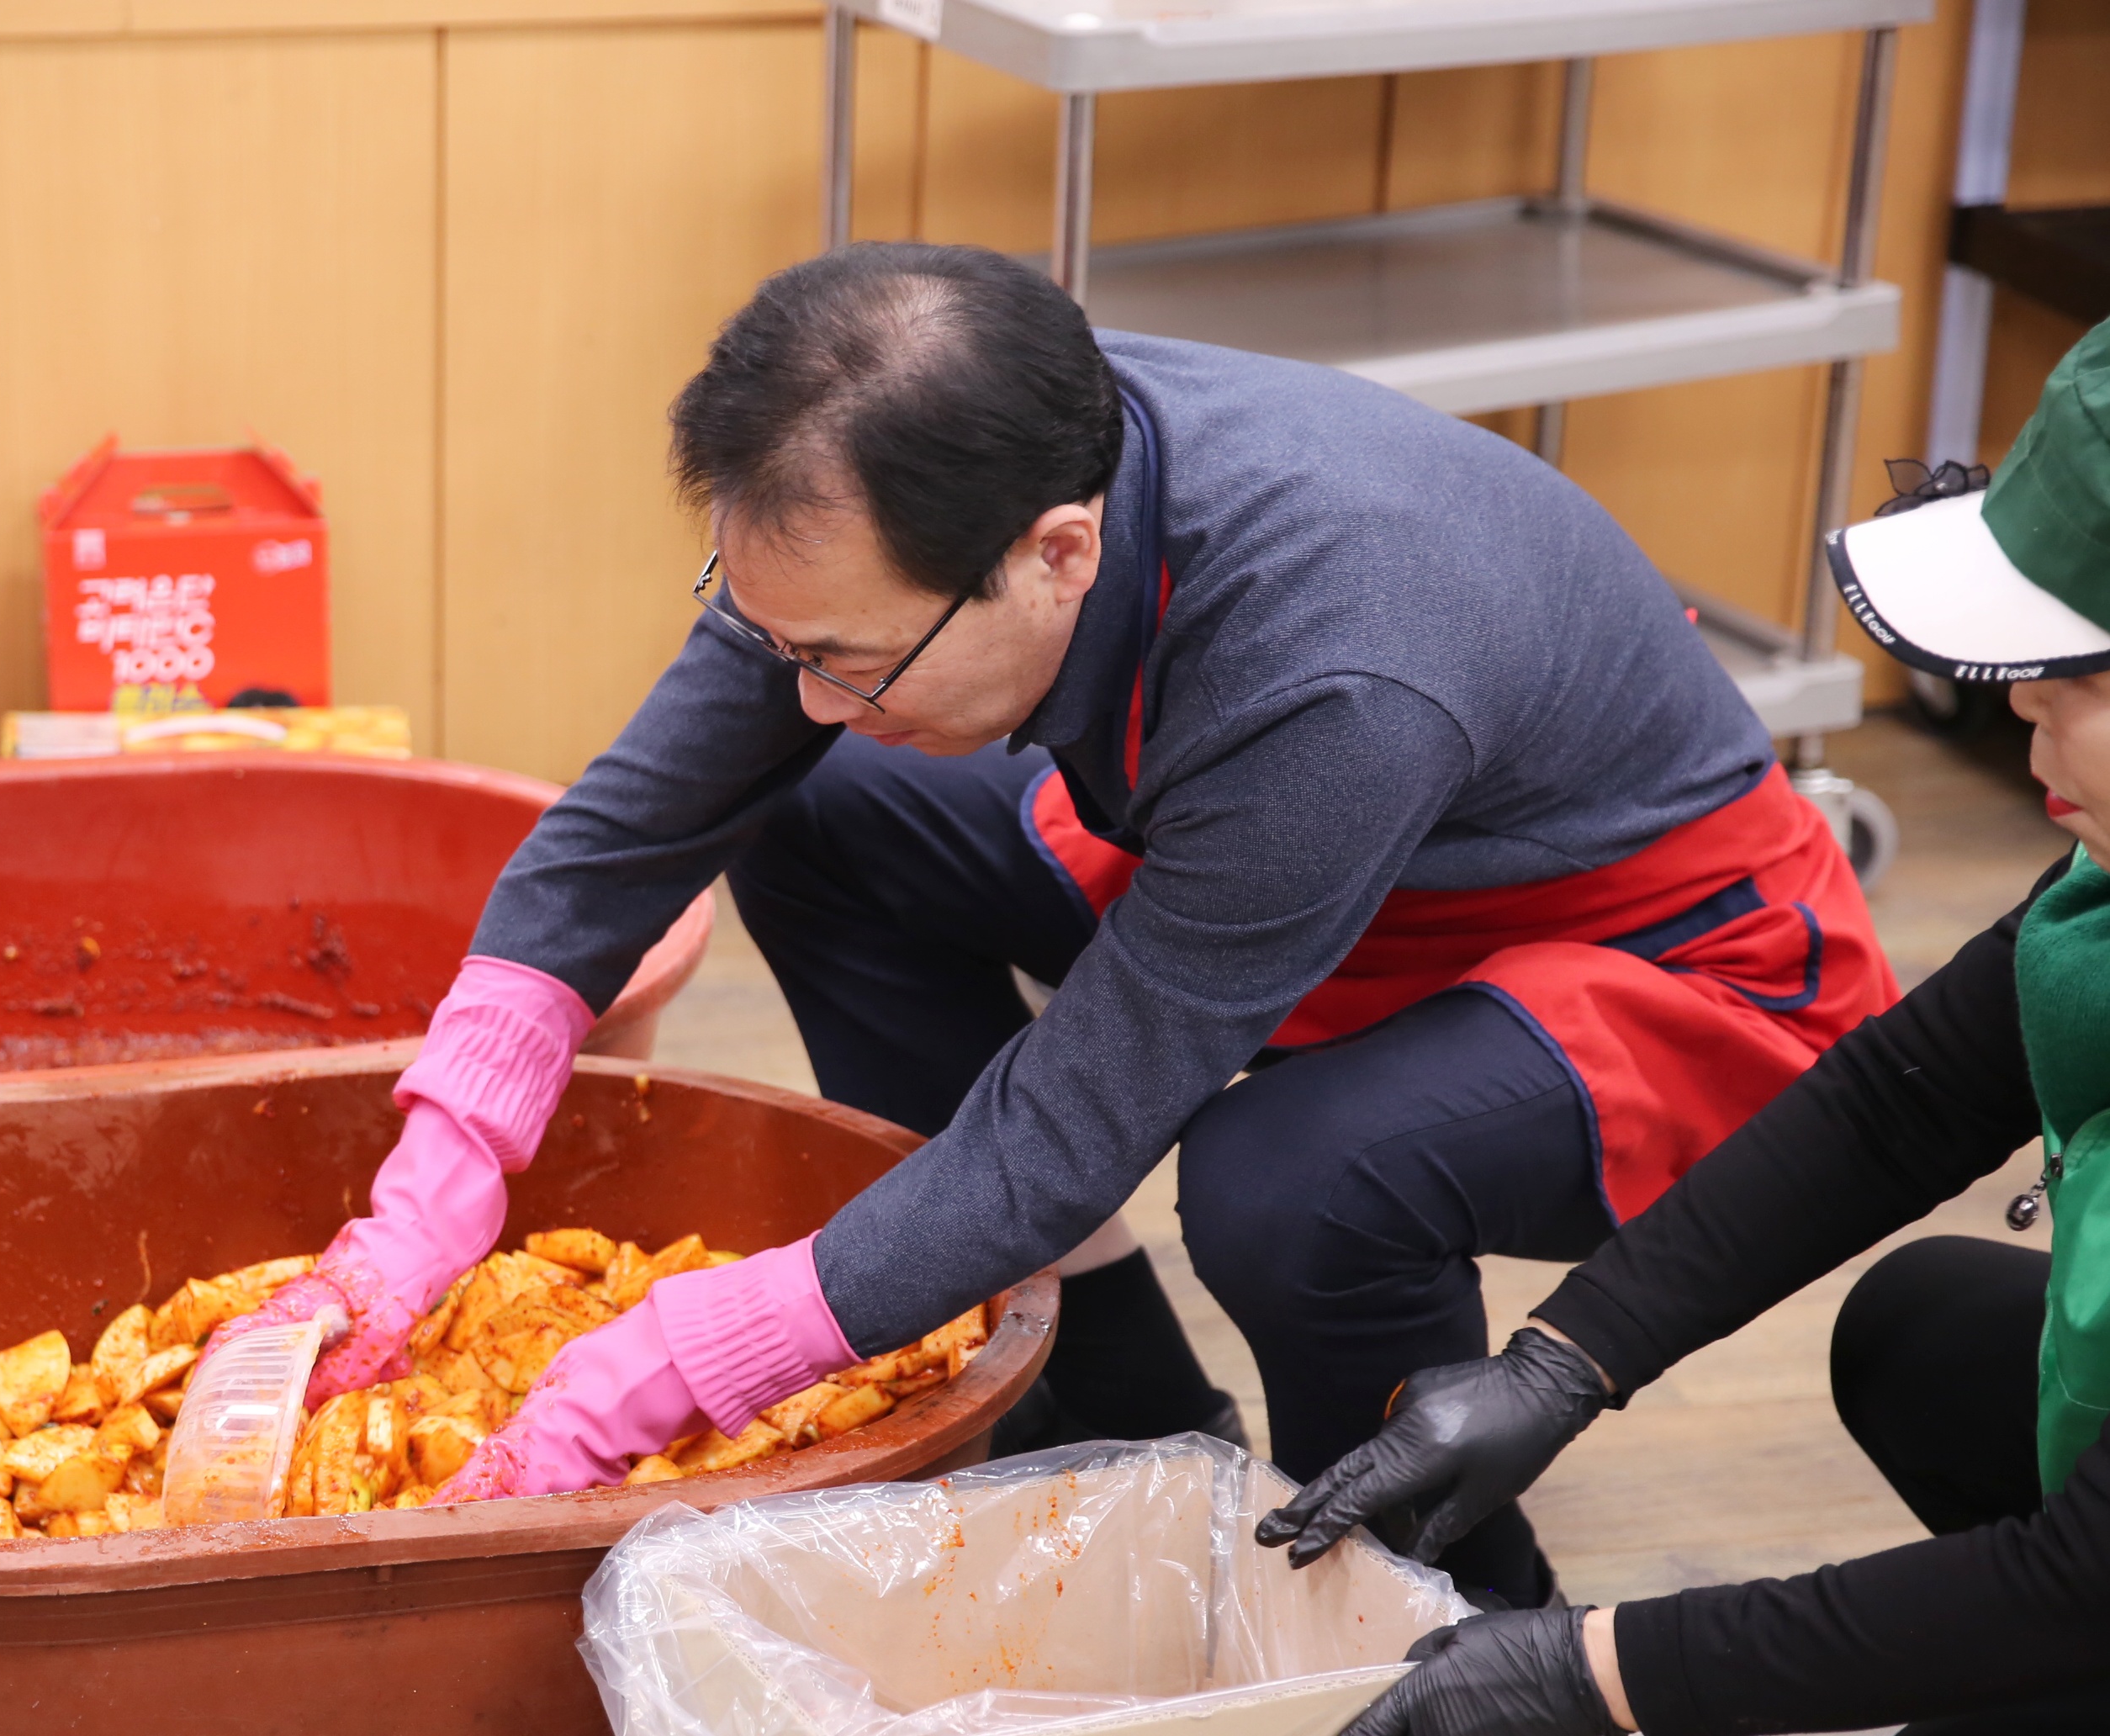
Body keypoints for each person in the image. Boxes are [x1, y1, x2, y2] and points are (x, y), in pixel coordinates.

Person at [206, 242, 1891, 1606]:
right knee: (828, 805)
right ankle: (1122, 1410)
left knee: (1297, 1181)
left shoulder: (1336, 654)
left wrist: (680, 1361)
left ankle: (1428, 1581)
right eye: (771, 634)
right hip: (1301, 870)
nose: (803, 686)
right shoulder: (927, 472)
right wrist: (441, 1174)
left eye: (847, 659)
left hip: (1656, 958)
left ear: (1059, 553)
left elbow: (1082, 1114)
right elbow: (637, 818)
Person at [1258, 316, 2110, 1736]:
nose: (2019, 711)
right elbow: (1902, 1096)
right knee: (1918, 1327)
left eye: (2072, 675)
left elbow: (2085, 1568)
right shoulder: (2098, 895)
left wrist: (1604, 1669)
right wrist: (1565, 1359)